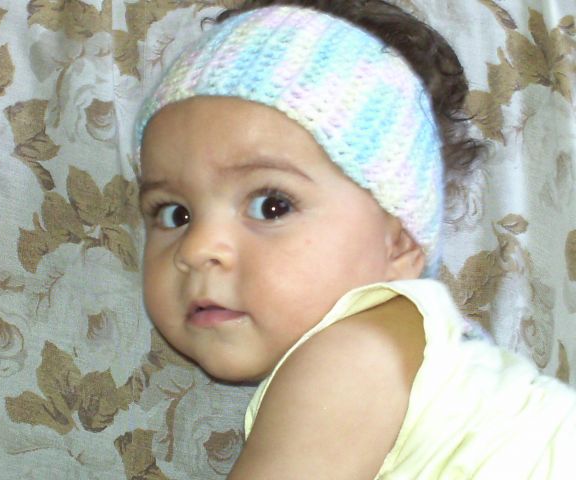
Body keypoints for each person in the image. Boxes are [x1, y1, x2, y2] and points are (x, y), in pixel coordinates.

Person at [135, 1, 576, 478]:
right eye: (174, 213)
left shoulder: (352, 358)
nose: (197, 248)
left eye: (272, 205)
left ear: (399, 245)